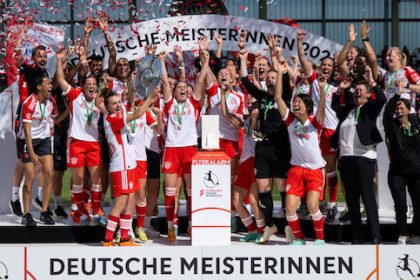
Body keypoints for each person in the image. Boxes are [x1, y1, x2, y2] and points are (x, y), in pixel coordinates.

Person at [239, 35, 292, 244]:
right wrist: (243, 57)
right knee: (263, 189)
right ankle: (269, 225)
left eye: (273, 77)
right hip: (262, 147)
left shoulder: (285, 95)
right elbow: (244, 81)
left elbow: (284, 77)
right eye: (268, 78)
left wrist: (278, 58)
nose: (270, 80)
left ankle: (288, 226)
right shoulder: (262, 97)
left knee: (282, 189)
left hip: (281, 148)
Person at [275, 55, 327, 245]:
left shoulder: (315, 122)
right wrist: (281, 74)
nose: (295, 105)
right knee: (289, 209)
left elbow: (321, 108)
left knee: (313, 206)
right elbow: (279, 97)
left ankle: (320, 239)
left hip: (314, 170)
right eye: (294, 103)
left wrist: (321, 90)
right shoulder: (290, 121)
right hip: (296, 169)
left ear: (307, 107)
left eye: (299, 103)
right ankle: (299, 239)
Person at [97, 87, 157, 246]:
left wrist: (132, 85)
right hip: (121, 165)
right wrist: (149, 100)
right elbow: (137, 114)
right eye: (113, 104)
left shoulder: (117, 114)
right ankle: (108, 238)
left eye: (118, 102)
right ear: (107, 107)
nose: (117, 105)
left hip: (129, 164)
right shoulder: (111, 119)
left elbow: (129, 103)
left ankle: (125, 237)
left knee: (131, 200)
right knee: (120, 203)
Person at [333, 66, 386, 244]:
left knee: (367, 197)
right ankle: (357, 236)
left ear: (368, 95)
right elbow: (334, 105)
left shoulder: (370, 109)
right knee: (352, 200)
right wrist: (341, 89)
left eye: (361, 90)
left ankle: (375, 235)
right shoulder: (347, 110)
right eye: (355, 90)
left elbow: (382, 99)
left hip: (365, 158)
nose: (357, 92)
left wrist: (372, 81)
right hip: (347, 158)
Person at [161, 48, 209, 242]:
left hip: (189, 149)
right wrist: (162, 61)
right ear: (174, 92)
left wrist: (206, 60)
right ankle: (171, 227)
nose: (182, 89)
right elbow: (164, 81)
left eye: (184, 87)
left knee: (191, 192)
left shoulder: (193, 103)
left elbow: (199, 82)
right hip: (172, 150)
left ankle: (191, 225)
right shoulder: (169, 104)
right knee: (171, 192)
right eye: (178, 87)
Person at [17, 74, 56, 227]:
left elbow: (53, 119)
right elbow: (27, 131)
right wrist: (32, 153)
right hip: (28, 141)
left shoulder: (49, 102)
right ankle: (26, 214)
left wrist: (68, 110)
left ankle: (44, 211)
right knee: (30, 178)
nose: (51, 86)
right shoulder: (29, 103)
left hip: (44, 140)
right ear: (39, 87)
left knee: (50, 174)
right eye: (48, 83)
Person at [383, 84, 420, 244]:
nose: (398, 111)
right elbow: (387, 112)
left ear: (408, 109)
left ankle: (415, 233)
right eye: (397, 108)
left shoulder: (416, 122)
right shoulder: (391, 125)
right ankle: (402, 234)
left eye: (401, 108)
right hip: (397, 172)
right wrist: (397, 96)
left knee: (419, 205)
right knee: (400, 206)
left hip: (416, 172)